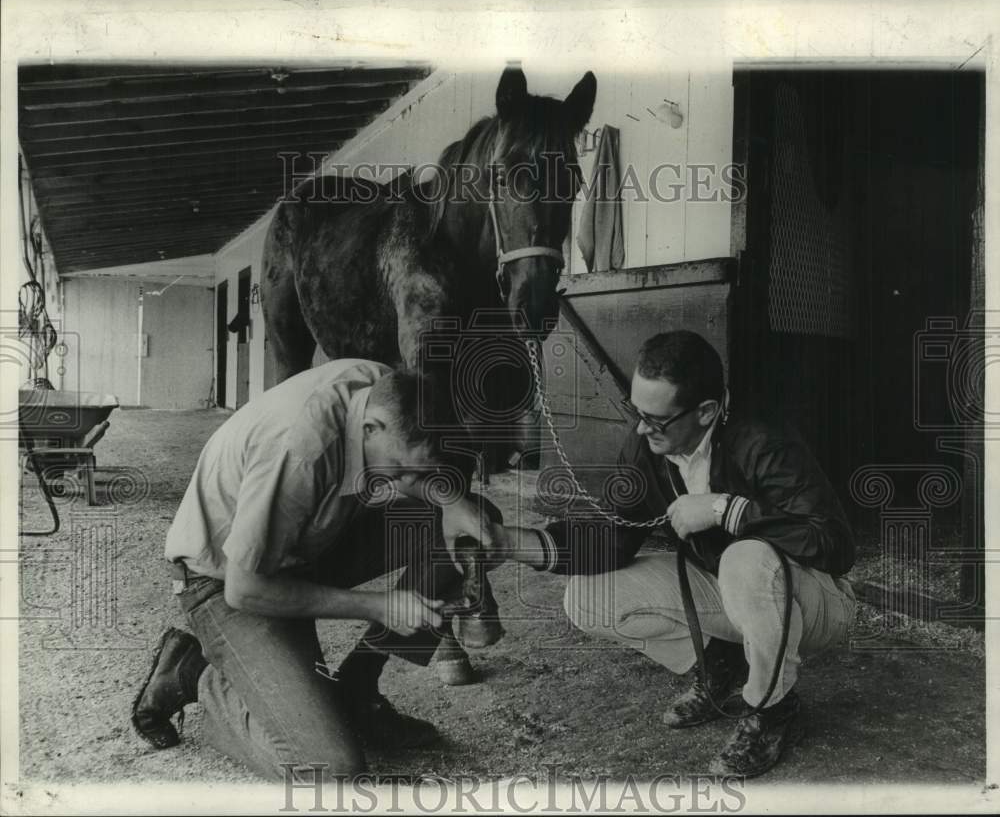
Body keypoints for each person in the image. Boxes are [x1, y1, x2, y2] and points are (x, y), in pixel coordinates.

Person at [449, 330, 857, 778]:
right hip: (734, 592)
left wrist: (725, 510)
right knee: (587, 598)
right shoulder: (648, 443)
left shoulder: (763, 438)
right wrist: (511, 543)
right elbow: (611, 539)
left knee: (746, 558)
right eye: (637, 412)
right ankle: (717, 666)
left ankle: (773, 709)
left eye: (656, 419)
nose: (642, 428)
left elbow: (834, 546)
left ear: (705, 411)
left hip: (815, 600)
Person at [130, 359, 497, 781]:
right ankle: (196, 675)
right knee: (330, 770)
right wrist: (379, 606)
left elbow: (418, 464)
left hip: (306, 545)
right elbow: (245, 589)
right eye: (400, 470)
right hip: (224, 581)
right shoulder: (299, 451)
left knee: (472, 524)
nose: (410, 480)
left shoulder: (385, 389)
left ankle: (356, 690)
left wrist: (449, 501)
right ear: (371, 428)